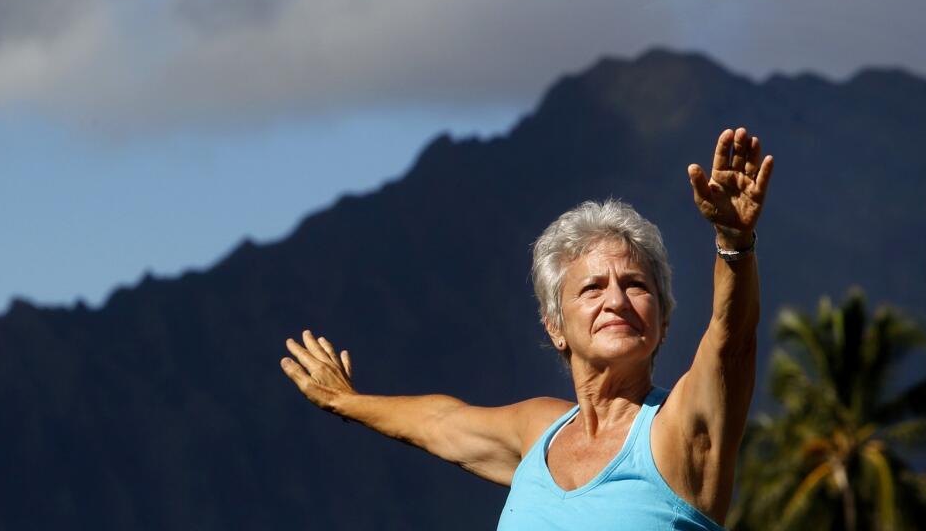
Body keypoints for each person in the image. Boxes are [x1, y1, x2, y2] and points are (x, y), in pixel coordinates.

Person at [280, 127, 773, 529]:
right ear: (556, 327)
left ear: (663, 322)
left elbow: (732, 341)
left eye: (637, 285)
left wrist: (733, 241)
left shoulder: (680, 428)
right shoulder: (541, 432)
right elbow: (438, 423)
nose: (617, 300)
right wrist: (345, 401)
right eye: (592, 288)